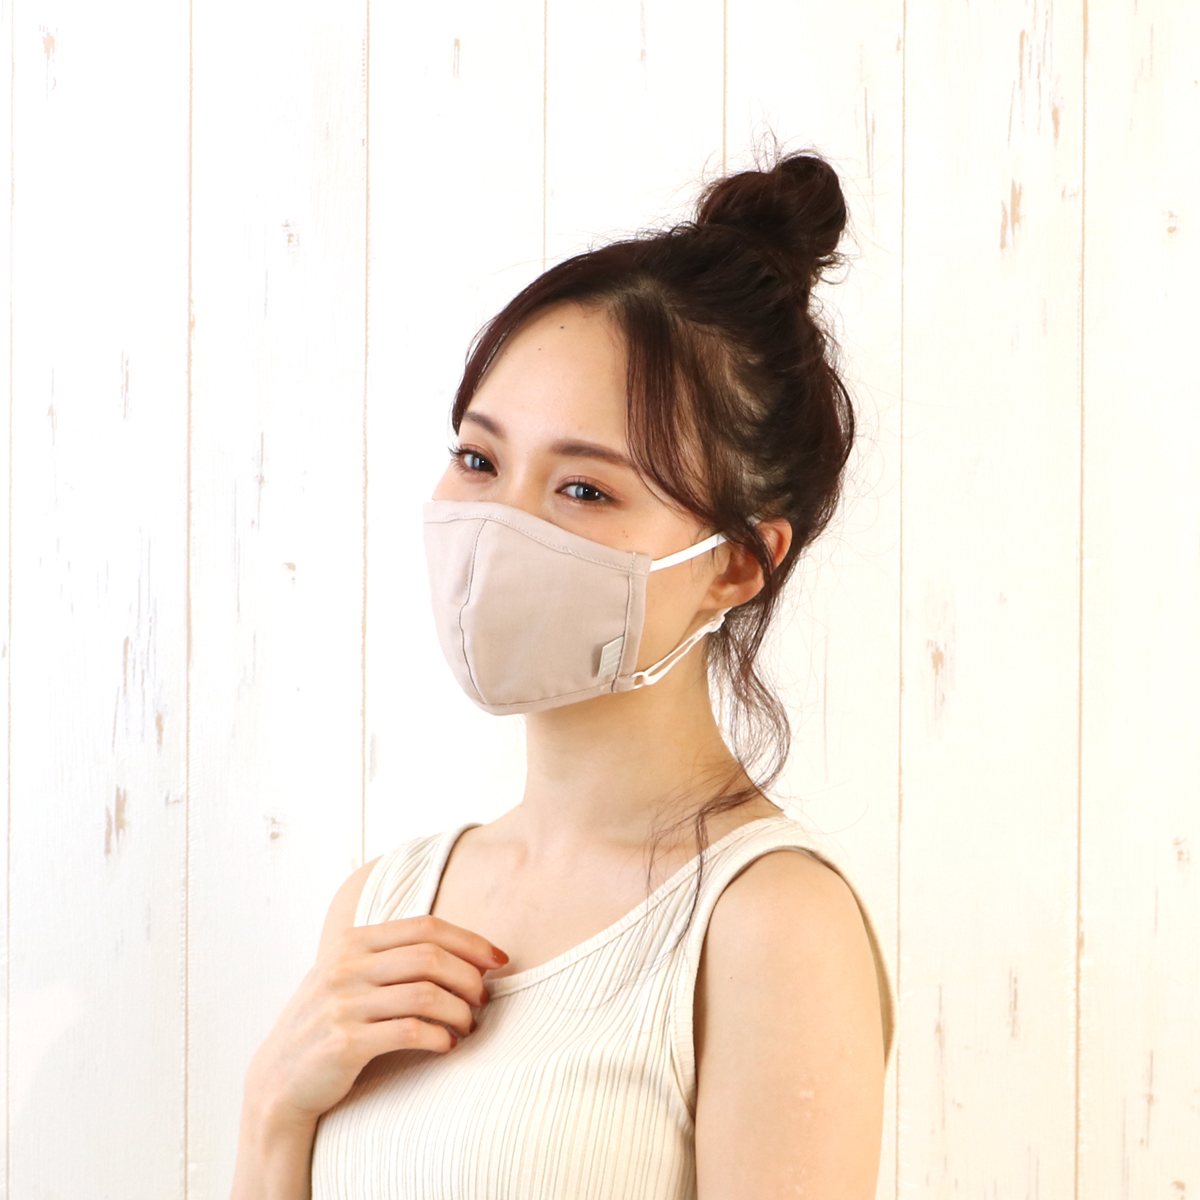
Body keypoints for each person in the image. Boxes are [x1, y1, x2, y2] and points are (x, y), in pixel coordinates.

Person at [231, 150, 891, 1200]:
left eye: (584, 490)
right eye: (480, 460)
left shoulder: (769, 925)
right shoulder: (385, 904)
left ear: (734, 564)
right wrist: (274, 1112)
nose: (499, 528)